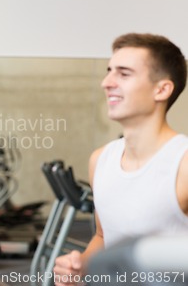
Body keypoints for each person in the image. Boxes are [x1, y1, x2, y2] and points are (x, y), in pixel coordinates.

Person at [53, 33, 188, 285]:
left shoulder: (183, 165)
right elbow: (103, 237)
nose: (106, 82)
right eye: (109, 71)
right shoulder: (100, 160)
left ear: (162, 89)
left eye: (124, 74)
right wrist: (81, 266)